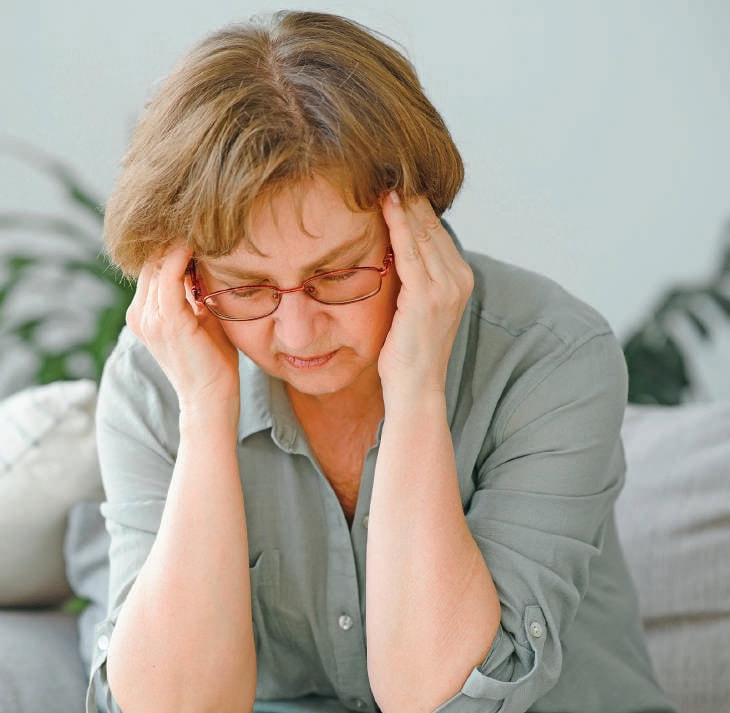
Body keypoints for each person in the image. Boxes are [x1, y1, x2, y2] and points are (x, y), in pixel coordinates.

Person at [85, 10, 673, 713]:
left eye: (337, 274)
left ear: (414, 224)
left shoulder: (550, 357)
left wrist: (417, 388)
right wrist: (208, 412)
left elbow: (440, 699)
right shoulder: (158, 377)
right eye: (247, 287)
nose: (297, 330)